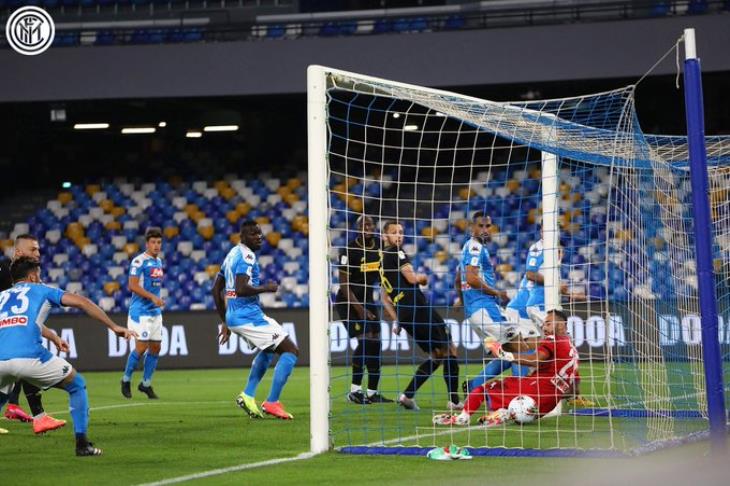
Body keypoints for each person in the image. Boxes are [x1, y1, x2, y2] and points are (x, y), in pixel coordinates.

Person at [0, 257, 136, 455]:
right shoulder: (42, 290)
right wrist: (114, 326)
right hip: (29, 357)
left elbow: (20, 322)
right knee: (77, 384)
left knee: (3, 392)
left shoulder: (2, 297)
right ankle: (82, 445)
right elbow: (82, 302)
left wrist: (54, 337)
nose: (40, 278)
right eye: (38, 274)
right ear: (32, 276)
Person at [212, 220, 299, 420]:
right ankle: (272, 402)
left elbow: (216, 289)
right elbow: (241, 288)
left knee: (268, 350)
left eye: (260, 233)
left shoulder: (232, 254)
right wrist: (266, 288)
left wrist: (225, 320)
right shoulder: (247, 256)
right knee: (291, 350)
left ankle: (248, 395)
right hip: (248, 315)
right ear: (242, 237)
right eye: (253, 234)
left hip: (237, 316)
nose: (259, 237)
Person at [434, 309, 578, 427]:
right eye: (544, 324)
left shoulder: (553, 340)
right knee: (512, 385)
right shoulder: (572, 348)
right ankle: (503, 413)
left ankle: (463, 417)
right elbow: (574, 385)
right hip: (547, 405)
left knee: (483, 389)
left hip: (534, 393)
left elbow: (535, 360)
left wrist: (505, 355)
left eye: (548, 323)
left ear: (561, 325)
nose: (543, 327)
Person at [379, 221, 462, 411]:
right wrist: (423, 278)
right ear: (384, 236)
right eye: (394, 232)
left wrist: (397, 319)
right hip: (418, 307)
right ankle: (454, 400)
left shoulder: (382, 262)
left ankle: (407, 396)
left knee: (436, 355)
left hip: (405, 313)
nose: (399, 235)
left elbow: (384, 298)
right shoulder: (397, 252)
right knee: (449, 348)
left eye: (401, 232)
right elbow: (411, 279)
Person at [456, 212, 530, 392]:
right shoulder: (476, 248)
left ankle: (473, 386)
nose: (485, 230)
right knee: (521, 349)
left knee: (508, 355)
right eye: (480, 226)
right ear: (471, 227)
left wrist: (461, 300)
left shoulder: (468, 247)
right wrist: (496, 292)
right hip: (485, 308)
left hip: (477, 310)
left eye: (488, 226)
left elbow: (458, 279)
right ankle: (520, 395)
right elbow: (471, 279)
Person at [0, 234, 66, 434]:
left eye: (38, 249)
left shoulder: (30, 276)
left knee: (11, 378)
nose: (37, 253)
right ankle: (39, 416)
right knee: (24, 363)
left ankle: (35, 414)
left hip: (10, 335)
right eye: (33, 249)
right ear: (18, 252)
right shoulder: (4, 272)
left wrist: (53, 336)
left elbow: (26, 320)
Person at [335, 215, 392, 405]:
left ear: (374, 227)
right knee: (366, 340)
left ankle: (373, 393)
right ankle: (354, 391)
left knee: (376, 342)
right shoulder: (349, 250)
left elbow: (386, 275)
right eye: (363, 224)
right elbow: (344, 284)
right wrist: (359, 309)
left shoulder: (380, 247)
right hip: (348, 301)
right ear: (357, 228)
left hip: (368, 300)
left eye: (370, 224)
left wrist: (390, 301)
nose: (367, 227)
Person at [121, 227, 165, 400]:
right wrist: (152, 297)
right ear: (147, 244)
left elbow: (153, 286)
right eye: (153, 242)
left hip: (155, 312)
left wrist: (158, 299)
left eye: (159, 242)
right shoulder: (139, 261)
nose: (156, 245)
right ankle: (126, 380)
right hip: (140, 312)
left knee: (156, 348)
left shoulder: (158, 262)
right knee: (141, 347)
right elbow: (132, 285)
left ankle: (145, 384)